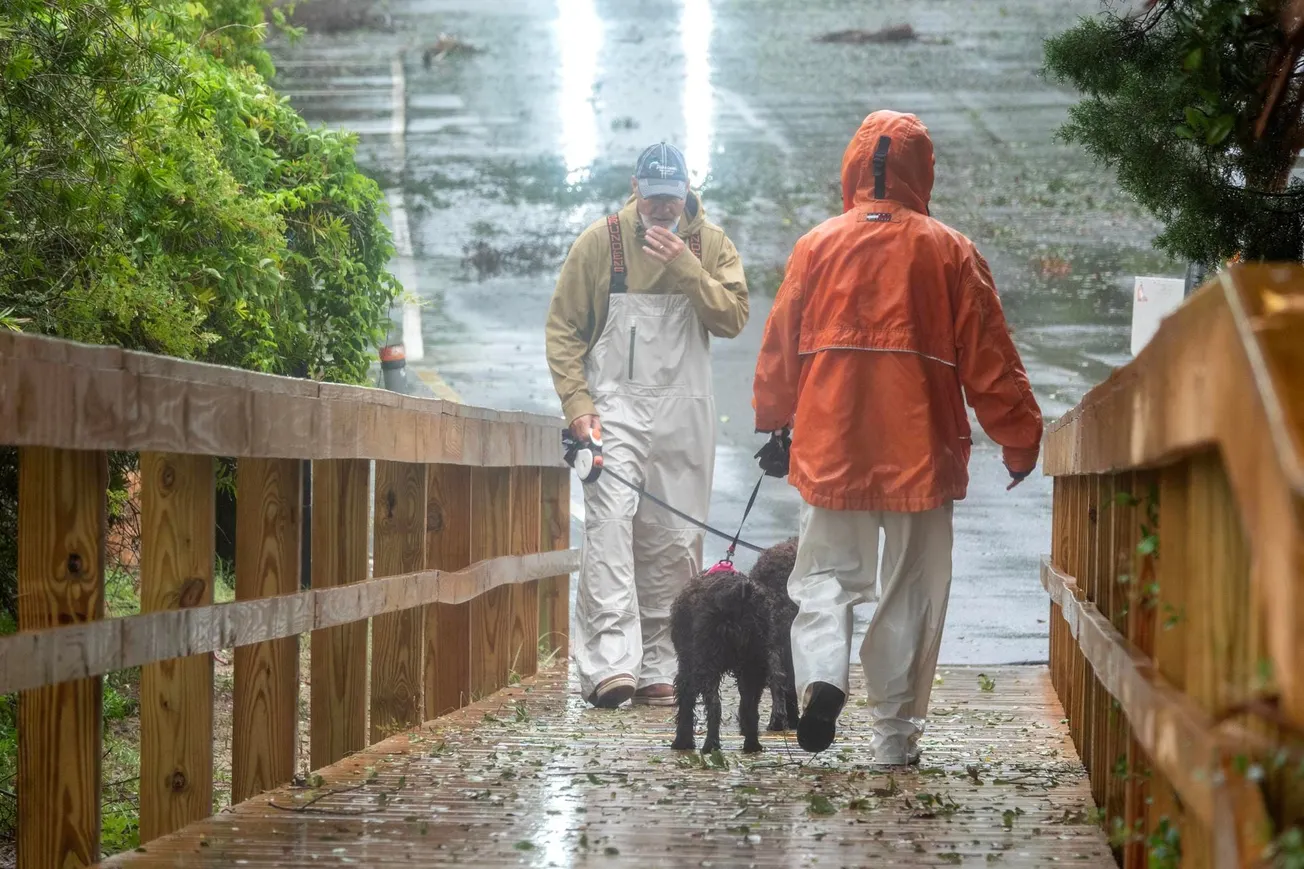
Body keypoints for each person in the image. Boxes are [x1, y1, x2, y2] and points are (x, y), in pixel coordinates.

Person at [752, 111, 1044, 763]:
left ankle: (823, 675)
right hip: (920, 450)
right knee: (911, 590)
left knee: (824, 576)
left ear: (855, 167)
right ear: (921, 172)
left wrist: (773, 417)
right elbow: (991, 360)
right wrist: (1020, 438)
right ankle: (892, 735)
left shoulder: (815, 247)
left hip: (832, 446)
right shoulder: (950, 251)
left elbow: (779, 345)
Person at [546, 142, 749, 709]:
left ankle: (661, 664)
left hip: (685, 412)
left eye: (672, 200)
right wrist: (577, 403)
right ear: (635, 188)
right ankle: (611, 665)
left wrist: (685, 266)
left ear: (686, 193)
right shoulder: (601, 243)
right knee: (611, 525)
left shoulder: (711, 244)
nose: (663, 210)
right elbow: (563, 328)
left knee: (674, 538)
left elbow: (733, 316)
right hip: (615, 408)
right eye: (654, 198)